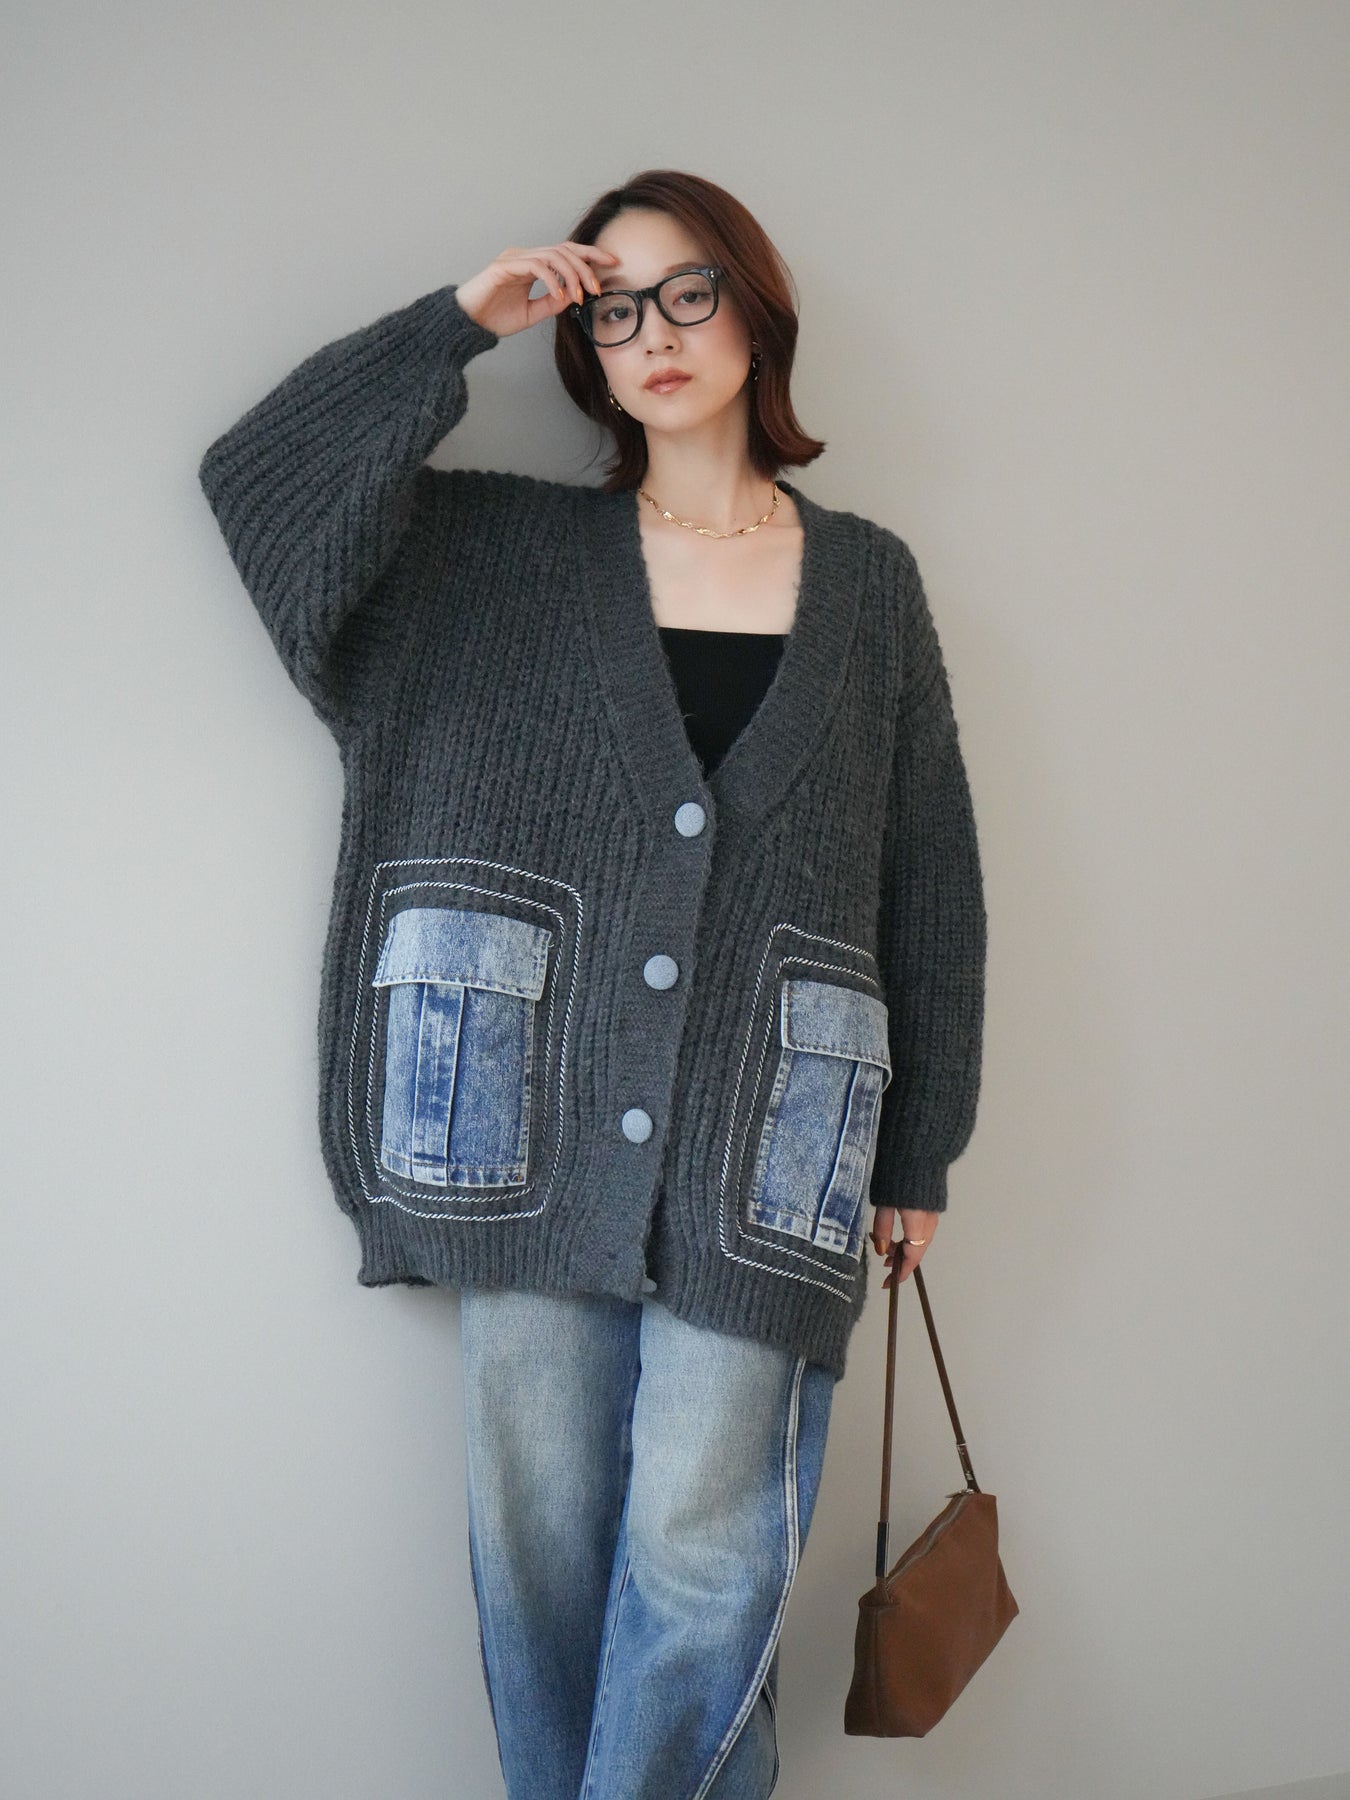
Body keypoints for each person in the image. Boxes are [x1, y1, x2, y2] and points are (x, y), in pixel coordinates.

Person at [197, 168, 986, 1800]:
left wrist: (921, 1145)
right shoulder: (480, 556)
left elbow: (925, 869)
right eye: (613, 307)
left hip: (773, 1131)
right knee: (540, 1546)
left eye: (688, 292)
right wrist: (457, 322)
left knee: (708, 1551)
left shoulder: (871, 585)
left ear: (754, 311)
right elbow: (260, 489)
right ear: (584, 342)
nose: (654, 334)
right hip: (525, 1117)